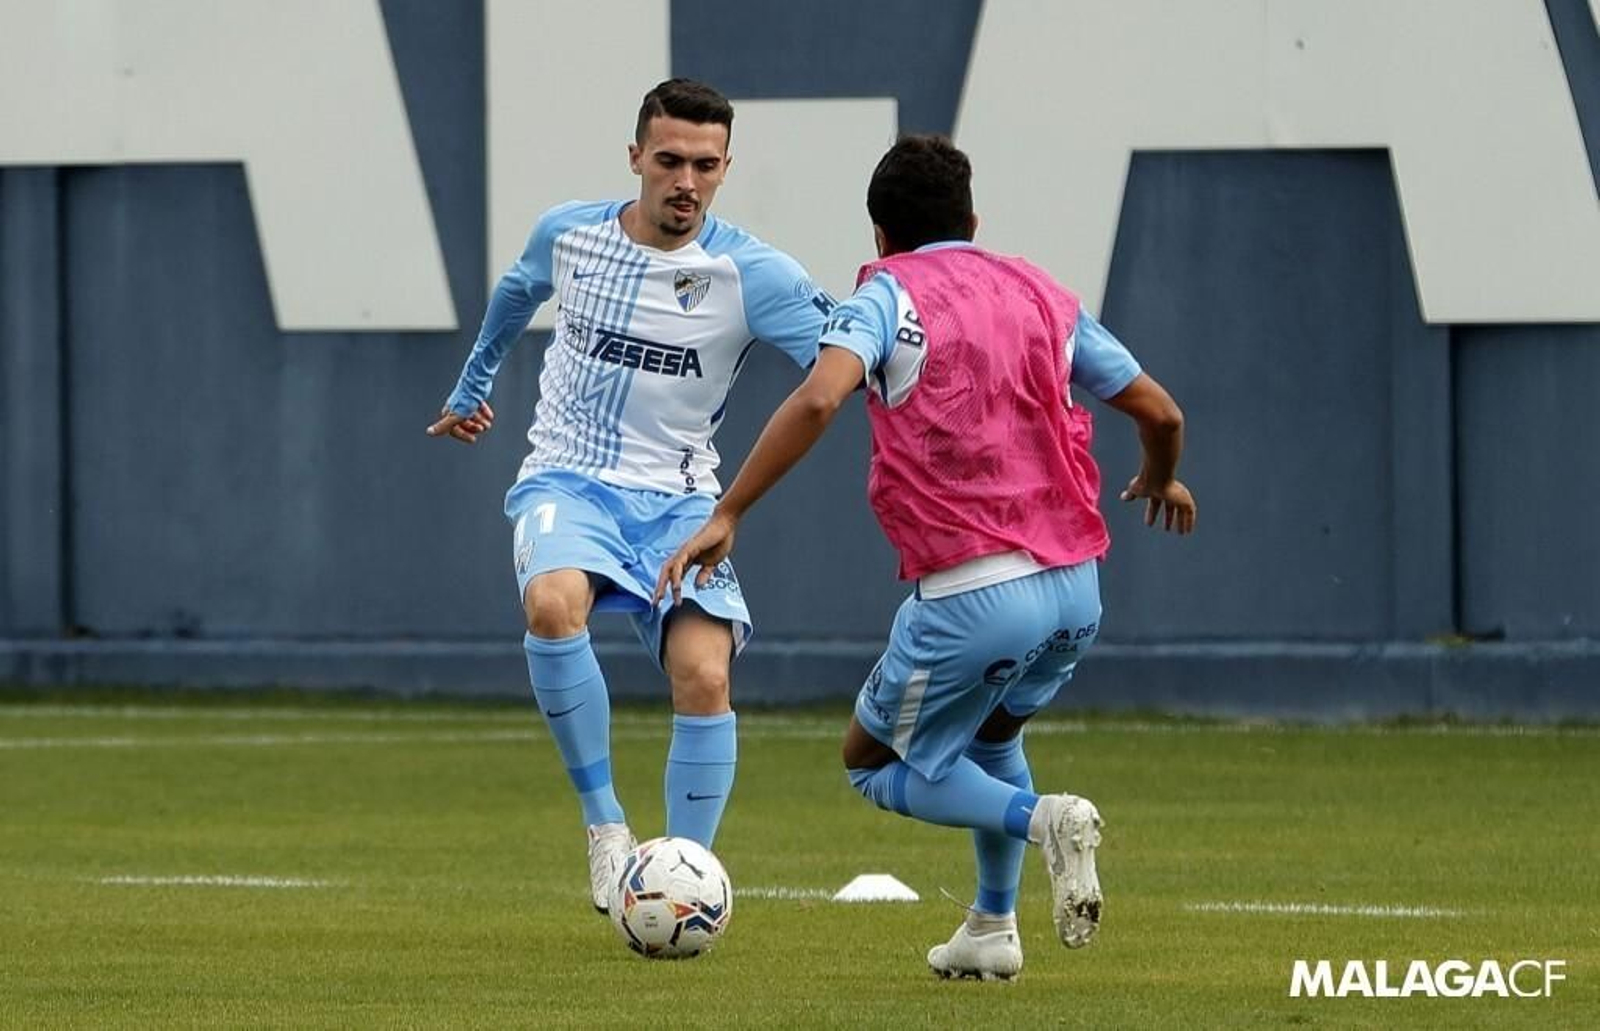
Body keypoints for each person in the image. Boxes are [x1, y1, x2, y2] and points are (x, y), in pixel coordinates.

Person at [656, 135, 1195, 980]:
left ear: (878, 237)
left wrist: (729, 509)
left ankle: (1042, 817)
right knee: (989, 734)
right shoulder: (1040, 291)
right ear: (973, 221)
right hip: (1078, 587)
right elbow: (1160, 413)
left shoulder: (886, 298)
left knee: (871, 762)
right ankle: (991, 926)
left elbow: (822, 395)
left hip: (977, 590)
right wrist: (1163, 480)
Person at [426, 78, 835, 914]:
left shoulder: (753, 273)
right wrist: (472, 385)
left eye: (705, 165)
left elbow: (842, 359)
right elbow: (515, 291)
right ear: (636, 158)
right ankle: (606, 828)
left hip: (682, 503)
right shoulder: (570, 233)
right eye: (670, 160)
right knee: (551, 603)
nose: (686, 180)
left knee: (704, 677)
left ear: (725, 168)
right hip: (567, 479)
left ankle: (682, 876)